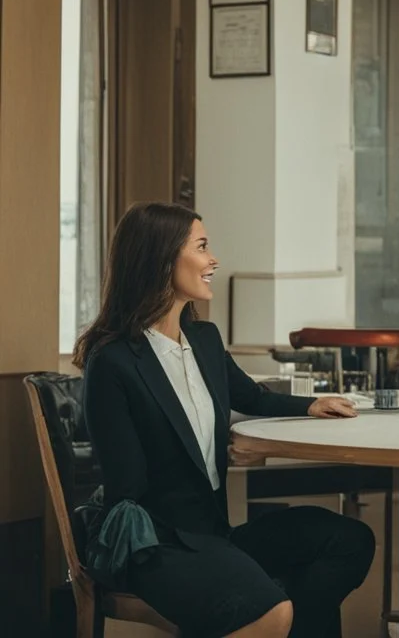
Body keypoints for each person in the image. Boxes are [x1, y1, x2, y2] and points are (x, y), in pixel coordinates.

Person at [75, 202, 374, 638]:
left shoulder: (204, 338)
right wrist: (226, 454)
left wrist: (309, 406)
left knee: (349, 542)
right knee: (269, 609)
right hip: (161, 545)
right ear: (161, 259)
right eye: (202, 246)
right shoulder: (114, 361)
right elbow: (129, 486)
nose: (213, 259)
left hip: (215, 533)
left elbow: (249, 395)